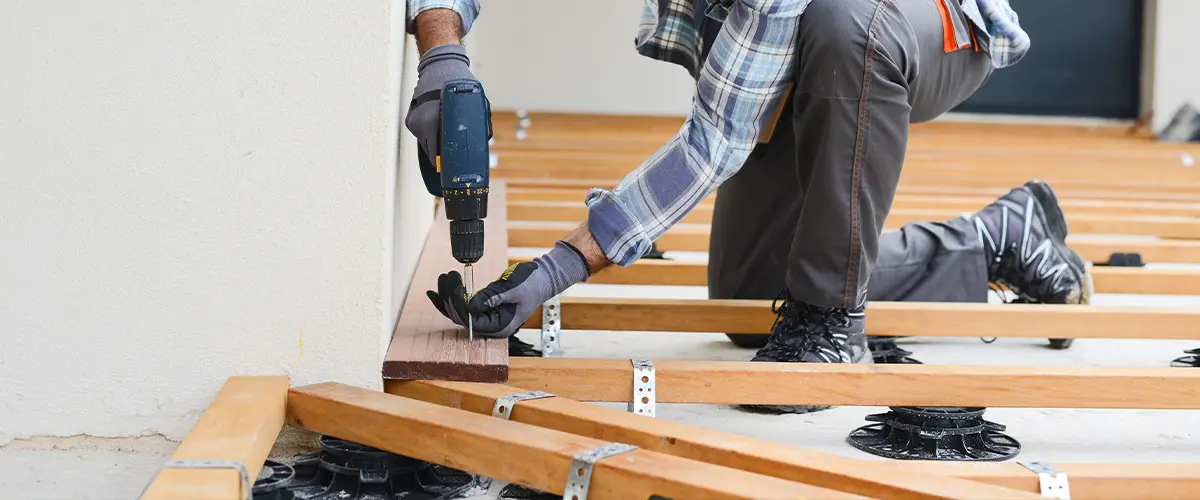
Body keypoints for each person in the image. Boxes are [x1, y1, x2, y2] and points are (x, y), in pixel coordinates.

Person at [408, 0, 1094, 412]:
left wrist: (563, 264)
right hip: (810, 47)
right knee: (751, 296)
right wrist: (443, 54)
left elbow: (715, 138)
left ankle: (832, 324)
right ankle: (1002, 239)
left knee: (850, 27)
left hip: (921, 25)